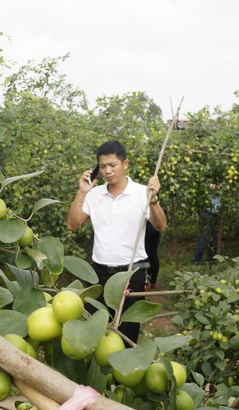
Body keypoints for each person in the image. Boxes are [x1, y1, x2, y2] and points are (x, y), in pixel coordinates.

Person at [67, 140, 167, 344]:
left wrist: (154, 200)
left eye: (112, 165)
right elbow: (73, 224)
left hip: (132, 273)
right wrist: (82, 192)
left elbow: (161, 225)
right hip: (99, 274)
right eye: (102, 166)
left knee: (126, 333)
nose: (107, 171)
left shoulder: (142, 193)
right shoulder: (94, 195)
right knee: (93, 331)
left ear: (125, 164)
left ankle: (122, 374)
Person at [194, 183, 221, 265]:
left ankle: (211, 258)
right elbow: (212, 186)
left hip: (212, 214)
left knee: (213, 236)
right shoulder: (211, 185)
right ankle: (197, 259)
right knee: (206, 236)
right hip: (209, 213)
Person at [145, 220, 160, 290]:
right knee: (153, 254)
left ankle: (147, 283)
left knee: (146, 255)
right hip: (156, 225)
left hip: (146, 226)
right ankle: (153, 282)